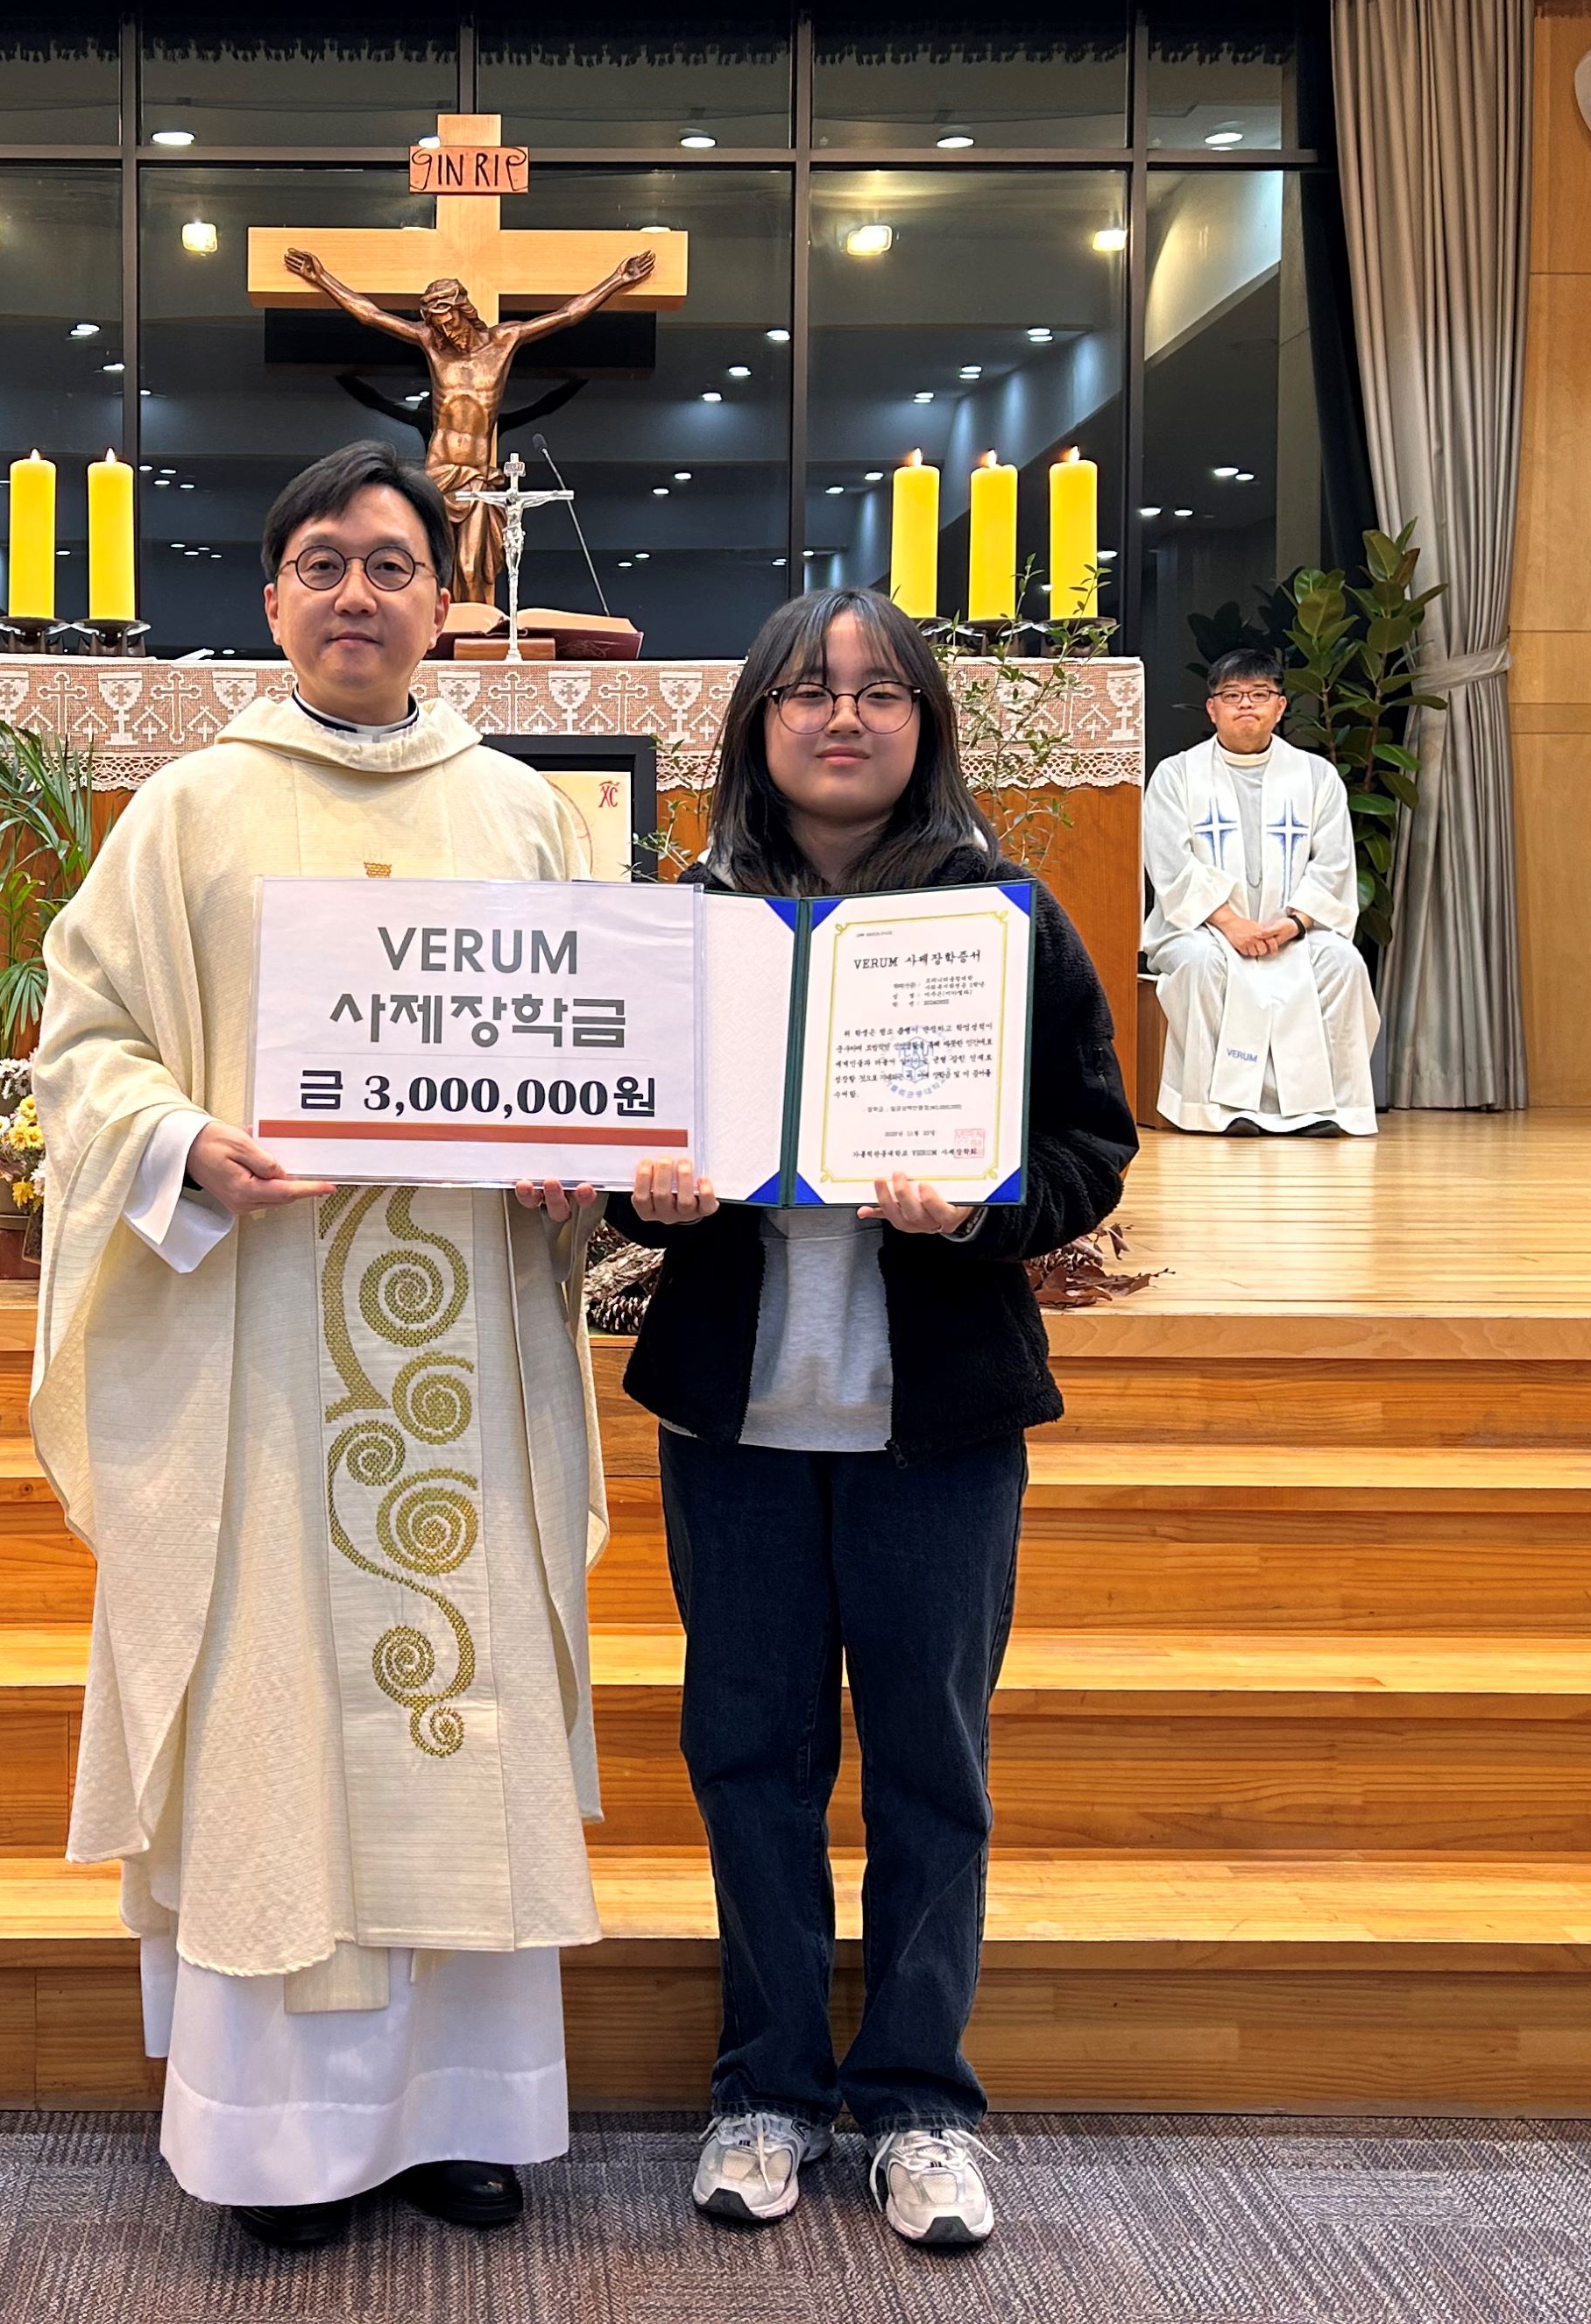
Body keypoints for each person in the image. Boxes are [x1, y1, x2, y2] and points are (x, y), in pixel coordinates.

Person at [28, 441, 607, 2250]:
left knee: (460, 1694)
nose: (355, 592)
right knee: (280, 1697)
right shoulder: (188, 810)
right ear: (269, 598)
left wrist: (575, 1173)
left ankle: (456, 2113)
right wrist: (177, 1144)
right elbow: (81, 1046)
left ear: (444, 599)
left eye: (388, 562)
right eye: (318, 563)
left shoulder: (523, 813)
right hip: (258, 1351)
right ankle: (275, 2138)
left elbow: (593, 1056)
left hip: (462, 1348)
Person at [605, 589, 1135, 2255]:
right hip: (740, 1419)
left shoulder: (1004, 923)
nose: (846, 718)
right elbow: (624, 1144)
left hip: (939, 1427)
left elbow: (1091, 1152)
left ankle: (915, 2102)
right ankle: (764, 2085)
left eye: (884, 693)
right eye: (811, 693)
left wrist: (975, 1214)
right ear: (758, 723)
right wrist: (659, 1197)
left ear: (926, 725)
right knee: (750, 1760)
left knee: (930, 1765)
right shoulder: (685, 925)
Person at [278, 250, 655, 602]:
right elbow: (371, 316)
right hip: (438, 472)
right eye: (438, 328)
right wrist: (323, 278)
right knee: (430, 564)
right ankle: (437, 642)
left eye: (450, 324)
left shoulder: (504, 341)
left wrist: (617, 281)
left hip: (477, 475)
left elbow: (567, 316)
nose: (446, 335)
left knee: (473, 566)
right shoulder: (431, 344)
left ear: (465, 312)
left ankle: (475, 645)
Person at [1140, 648, 1381, 1137]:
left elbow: (1334, 863)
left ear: (1280, 706)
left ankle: (1324, 1108)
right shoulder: (1176, 775)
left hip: (1293, 929)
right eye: (1232, 696)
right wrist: (1231, 924)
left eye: (1259, 695)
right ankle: (1218, 1110)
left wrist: (1294, 924)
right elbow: (1169, 864)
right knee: (1202, 966)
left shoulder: (1316, 776)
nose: (1245, 704)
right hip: (1204, 928)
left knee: (1344, 964)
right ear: (1212, 709)